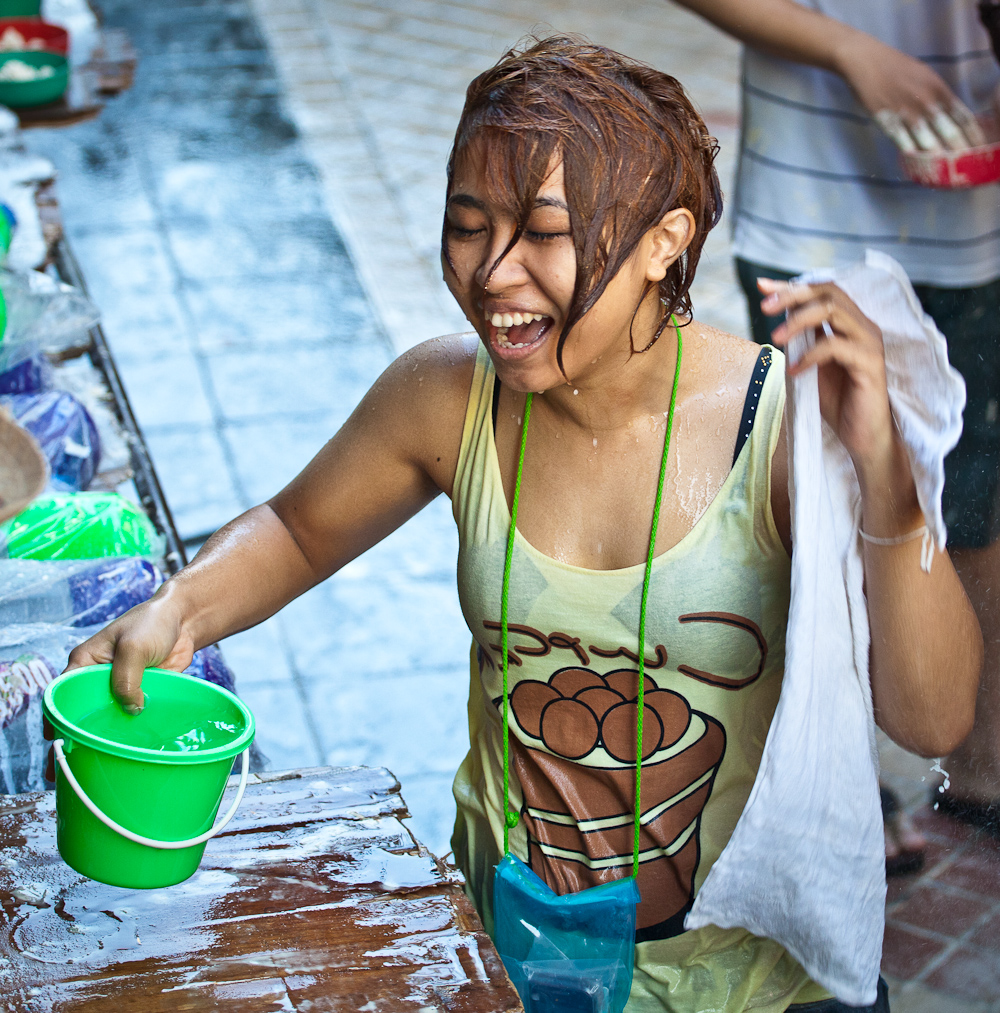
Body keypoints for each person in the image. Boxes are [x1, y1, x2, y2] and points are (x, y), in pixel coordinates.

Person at [67, 38, 981, 1013]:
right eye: (469, 226)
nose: (494, 273)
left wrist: (887, 483)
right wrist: (183, 608)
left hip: (748, 982)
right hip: (509, 956)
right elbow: (297, 529)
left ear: (664, 240)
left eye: (544, 233)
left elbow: (931, 720)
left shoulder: (777, 428)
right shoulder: (445, 396)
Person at [672, 0, 1000, 853]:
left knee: (971, 505)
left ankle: (978, 768)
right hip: (809, 207)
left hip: (972, 208)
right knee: (816, 512)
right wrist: (850, 50)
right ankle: (841, 782)